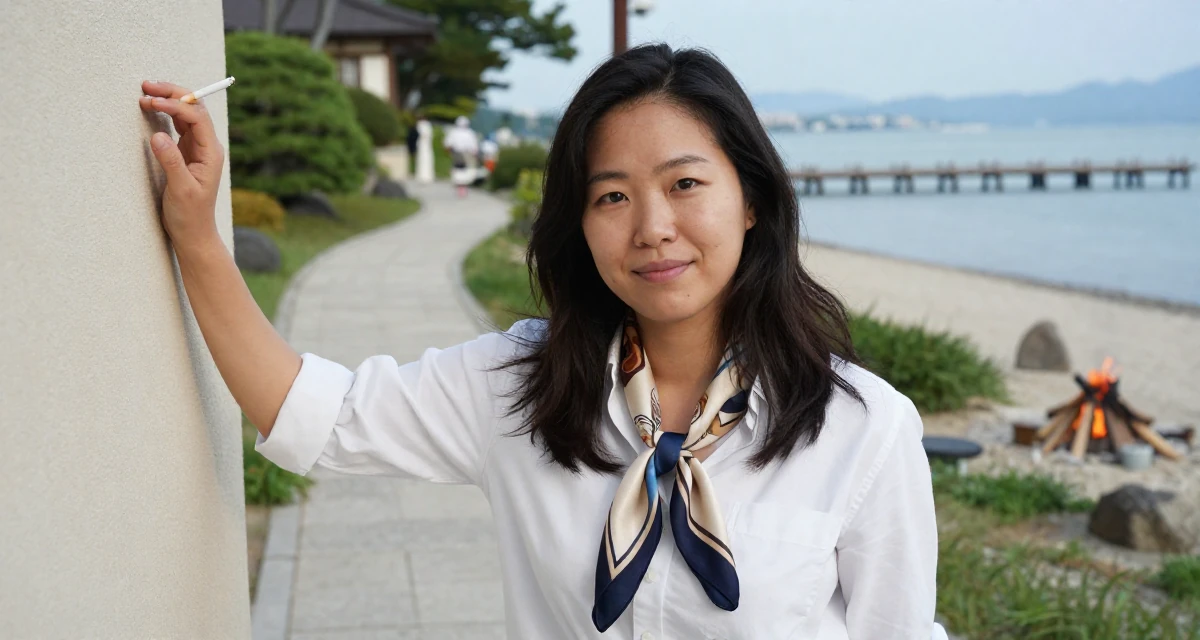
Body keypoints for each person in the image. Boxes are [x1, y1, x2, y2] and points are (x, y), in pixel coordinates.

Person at [138, 43, 946, 639]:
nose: (652, 227)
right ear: (580, 223)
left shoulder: (864, 429)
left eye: (685, 184)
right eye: (612, 196)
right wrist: (197, 236)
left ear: (752, 199)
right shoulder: (521, 384)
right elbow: (312, 412)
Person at [443, 115, 480, 197]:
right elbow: (474, 146)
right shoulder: (469, 133)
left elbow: (447, 144)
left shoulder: (454, 132)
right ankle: (463, 186)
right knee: (465, 170)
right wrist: (475, 154)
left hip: (457, 153)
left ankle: (460, 186)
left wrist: (449, 152)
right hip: (466, 154)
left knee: (458, 169)